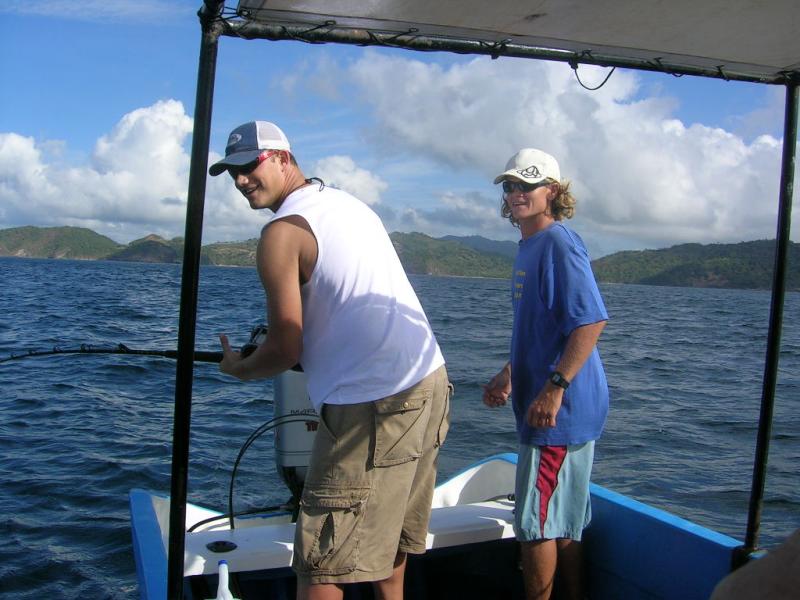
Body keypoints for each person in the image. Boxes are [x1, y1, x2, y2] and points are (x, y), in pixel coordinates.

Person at [209, 121, 450, 600]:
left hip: (372, 405)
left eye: (249, 166)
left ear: (282, 158)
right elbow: (347, 306)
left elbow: (283, 351)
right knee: (389, 545)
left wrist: (240, 368)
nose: (240, 181)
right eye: (231, 172)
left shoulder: (279, 234)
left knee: (320, 565)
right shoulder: (347, 204)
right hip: (431, 383)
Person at [482, 148, 609, 600]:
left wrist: (554, 388)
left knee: (535, 525)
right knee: (564, 520)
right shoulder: (529, 245)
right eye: (510, 186)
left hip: (559, 412)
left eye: (526, 185)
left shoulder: (558, 242)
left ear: (552, 191)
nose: (516, 194)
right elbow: (544, 326)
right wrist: (510, 373)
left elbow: (590, 321)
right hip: (555, 404)